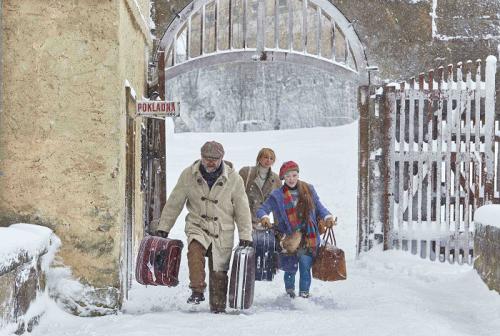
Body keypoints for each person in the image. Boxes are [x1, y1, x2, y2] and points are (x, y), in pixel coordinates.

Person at [151, 141, 253, 313]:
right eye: (207, 158)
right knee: (194, 252)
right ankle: (197, 290)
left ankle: (218, 307)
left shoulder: (234, 179)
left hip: (222, 229)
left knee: (219, 271)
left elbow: (243, 209)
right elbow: (174, 202)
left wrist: (246, 235)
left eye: (214, 158)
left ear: (222, 158)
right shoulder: (188, 175)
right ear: (201, 157)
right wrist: (164, 227)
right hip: (197, 225)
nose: (210, 162)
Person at [256, 161, 336, 298]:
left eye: (294, 175)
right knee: (290, 268)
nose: (291, 179)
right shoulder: (277, 195)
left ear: (298, 175)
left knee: (305, 266)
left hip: (307, 237)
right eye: (288, 176)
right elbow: (263, 208)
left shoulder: (308, 189)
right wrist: (264, 217)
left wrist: (328, 217)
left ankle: (304, 294)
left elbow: (319, 207)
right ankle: (289, 293)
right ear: (283, 178)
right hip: (288, 239)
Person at [239, 148, 282, 230]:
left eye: (271, 158)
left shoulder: (276, 179)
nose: (268, 160)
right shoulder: (246, 173)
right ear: (259, 158)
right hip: (245, 220)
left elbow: (278, 205)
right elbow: (235, 194)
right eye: (266, 157)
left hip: (263, 221)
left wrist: (278, 227)